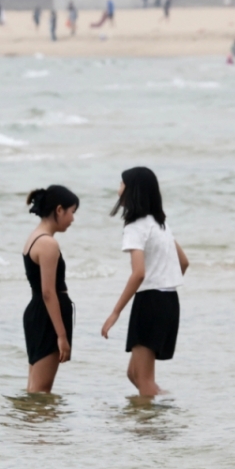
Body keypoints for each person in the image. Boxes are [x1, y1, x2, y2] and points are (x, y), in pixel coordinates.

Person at [101, 167, 189, 397]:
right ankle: (161, 413)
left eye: (121, 184)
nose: (118, 189)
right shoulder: (161, 224)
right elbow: (184, 262)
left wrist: (115, 312)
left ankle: (149, 430)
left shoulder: (135, 226)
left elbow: (138, 273)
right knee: (134, 374)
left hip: (150, 301)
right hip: (169, 300)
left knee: (143, 378)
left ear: (132, 191)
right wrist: (164, 283)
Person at [22, 185, 79, 393]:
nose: (72, 219)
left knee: (34, 388)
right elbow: (48, 292)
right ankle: (39, 424)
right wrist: (61, 336)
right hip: (47, 315)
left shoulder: (34, 237)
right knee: (41, 391)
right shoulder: (48, 244)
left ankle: (34, 425)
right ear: (59, 210)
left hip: (37, 313)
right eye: (72, 212)